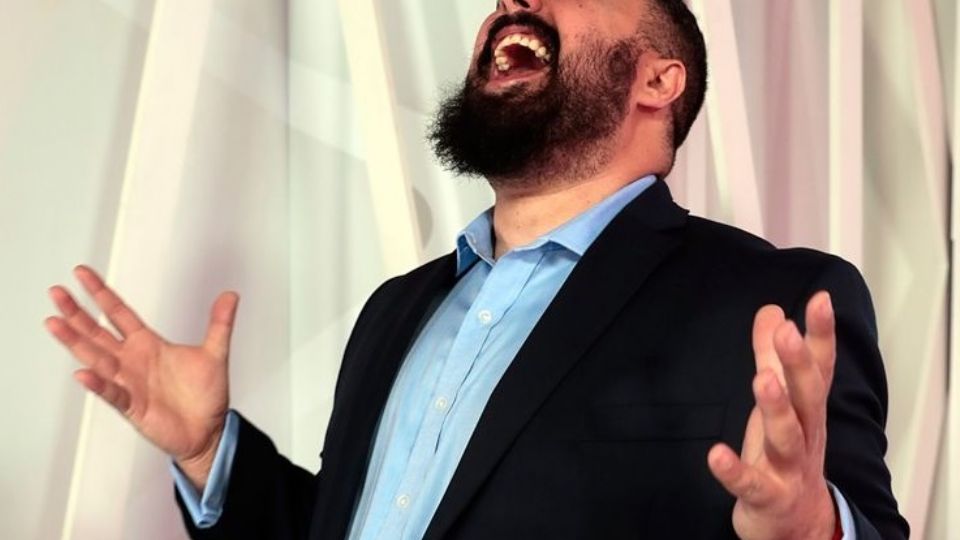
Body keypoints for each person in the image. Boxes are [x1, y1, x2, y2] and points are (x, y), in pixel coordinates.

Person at [45, 0, 909, 538]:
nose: (511, 1)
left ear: (658, 80)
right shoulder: (396, 311)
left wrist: (812, 530)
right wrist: (210, 453)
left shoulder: (772, 304)